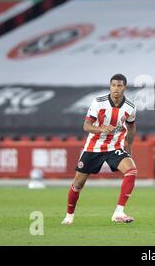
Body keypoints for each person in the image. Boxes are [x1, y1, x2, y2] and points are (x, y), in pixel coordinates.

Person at [61, 74, 138, 224]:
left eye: (119, 86)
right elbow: (86, 126)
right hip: (94, 147)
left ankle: (119, 212)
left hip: (114, 146)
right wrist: (101, 129)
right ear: (110, 86)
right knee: (78, 184)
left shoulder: (130, 106)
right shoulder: (98, 102)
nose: (116, 88)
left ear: (125, 88)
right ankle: (69, 216)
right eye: (113, 85)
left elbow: (131, 125)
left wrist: (129, 145)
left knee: (132, 171)